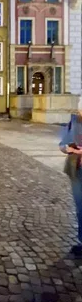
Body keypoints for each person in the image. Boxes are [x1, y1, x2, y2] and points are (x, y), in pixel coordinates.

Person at [59, 101, 82, 255]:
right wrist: (68, 148)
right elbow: (62, 144)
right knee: (80, 208)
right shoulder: (74, 122)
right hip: (76, 171)